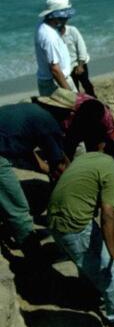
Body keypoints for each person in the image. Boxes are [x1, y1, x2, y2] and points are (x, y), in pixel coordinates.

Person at [47, 128, 114, 327]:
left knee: (85, 260)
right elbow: (108, 214)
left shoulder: (89, 157)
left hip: (56, 218)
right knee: (110, 272)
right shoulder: (110, 171)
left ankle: (89, 294)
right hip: (74, 224)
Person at [0, 102, 68, 249]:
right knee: (18, 209)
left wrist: (47, 169)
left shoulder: (32, 112)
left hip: (3, 145)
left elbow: (26, 151)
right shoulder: (49, 124)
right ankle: (33, 251)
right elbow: (59, 164)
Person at [34, 88, 114, 159]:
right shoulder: (67, 113)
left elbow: (109, 138)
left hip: (90, 123)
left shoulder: (104, 119)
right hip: (75, 119)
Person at [35, 0, 77, 96]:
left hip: (49, 80)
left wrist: (60, 25)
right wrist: (69, 93)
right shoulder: (49, 38)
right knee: (75, 107)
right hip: (56, 82)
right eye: (65, 16)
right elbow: (55, 69)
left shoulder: (43, 24)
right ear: (55, 16)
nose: (67, 18)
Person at [60, 19, 95, 96]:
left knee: (86, 84)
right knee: (74, 89)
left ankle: (94, 99)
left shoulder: (72, 30)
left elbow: (81, 47)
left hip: (78, 62)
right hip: (68, 68)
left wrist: (80, 65)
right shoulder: (55, 35)